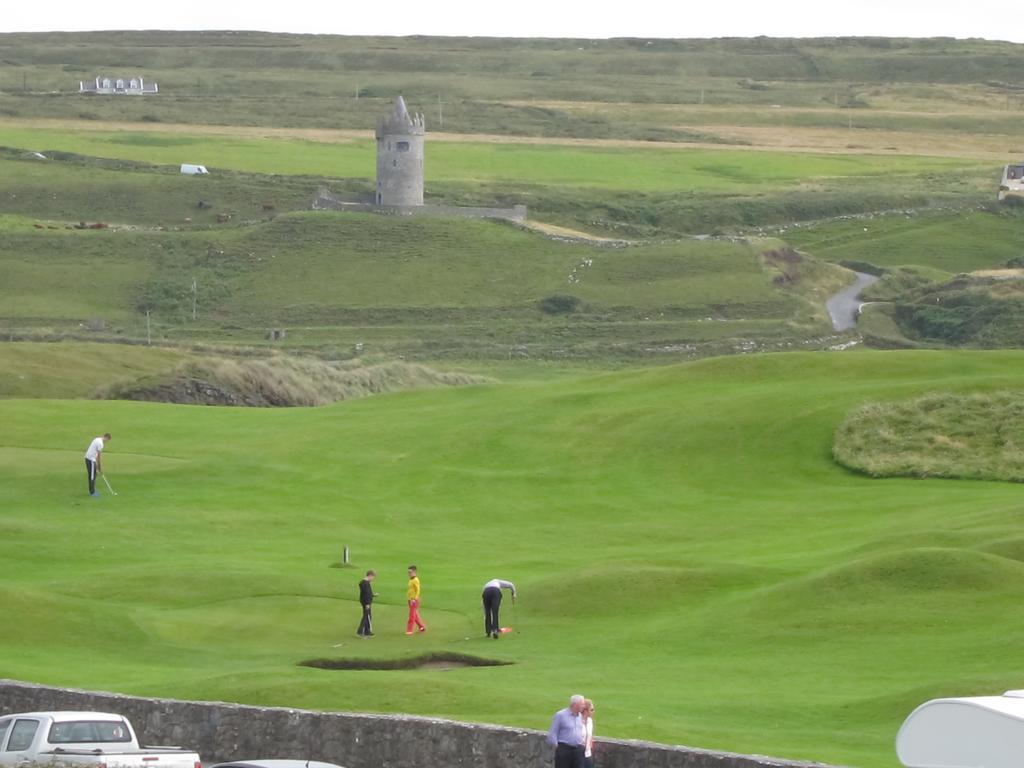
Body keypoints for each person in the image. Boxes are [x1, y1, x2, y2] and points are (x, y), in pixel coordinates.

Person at [547, 694, 585, 768]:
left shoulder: (580, 716)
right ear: (575, 704)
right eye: (582, 704)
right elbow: (553, 733)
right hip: (564, 749)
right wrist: (558, 747)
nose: (584, 706)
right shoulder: (560, 715)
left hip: (578, 750)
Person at [84, 433, 111, 497]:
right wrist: (99, 467)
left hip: (88, 458)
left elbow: (95, 454)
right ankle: (92, 492)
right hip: (91, 459)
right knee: (92, 476)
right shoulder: (100, 444)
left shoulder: (97, 439)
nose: (106, 442)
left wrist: (96, 465)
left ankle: (92, 490)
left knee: (93, 474)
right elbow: (98, 457)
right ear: (106, 437)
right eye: (107, 440)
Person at [405, 564, 426, 634]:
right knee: (415, 615)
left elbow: (418, 590)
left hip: (414, 600)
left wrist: (414, 599)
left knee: (412, 615)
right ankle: (421, 627)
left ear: (414, 572)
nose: (409, 574)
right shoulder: (411, 580)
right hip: (410, 599)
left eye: (410, 572)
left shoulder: (415, 580)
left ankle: (409, 630)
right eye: (408, 572)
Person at [357, 570, 377, 637]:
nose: (373, 579)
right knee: (366, 616)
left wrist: (373, 595)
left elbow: (368, 593)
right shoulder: (364, 583)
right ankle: (360, 631)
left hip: (366, 601)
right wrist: (367, 604)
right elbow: (365, 594)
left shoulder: (366, 583)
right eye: (373, 577)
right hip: (366, 602)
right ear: (370, 575)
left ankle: (367, 631)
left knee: (368, 616)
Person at [582, 699, 595, 768]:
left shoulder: (590, 721)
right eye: (592, 709)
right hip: (578, 755)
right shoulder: (577, 722)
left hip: (587, 754)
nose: (593, 712)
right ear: (585, 710)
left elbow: (590, 736)